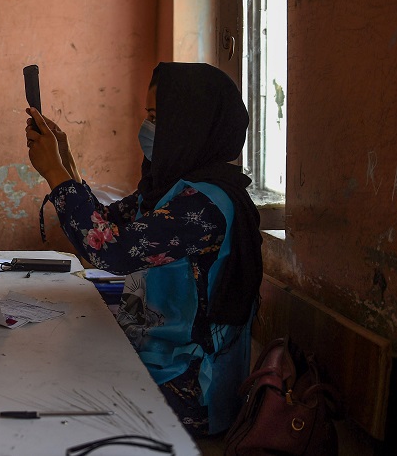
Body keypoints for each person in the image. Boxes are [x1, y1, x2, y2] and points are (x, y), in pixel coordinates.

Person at [24, 62, 262, 438]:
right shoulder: (173, 188)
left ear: (190, 122)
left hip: (191, 384)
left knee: (50, 395)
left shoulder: (205, 205)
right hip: (156, 355)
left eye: (155, 116)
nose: (146, 128)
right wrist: (66, 163)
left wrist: (55, 174)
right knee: (46, 364)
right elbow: (108, 222)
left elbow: (111, 252)